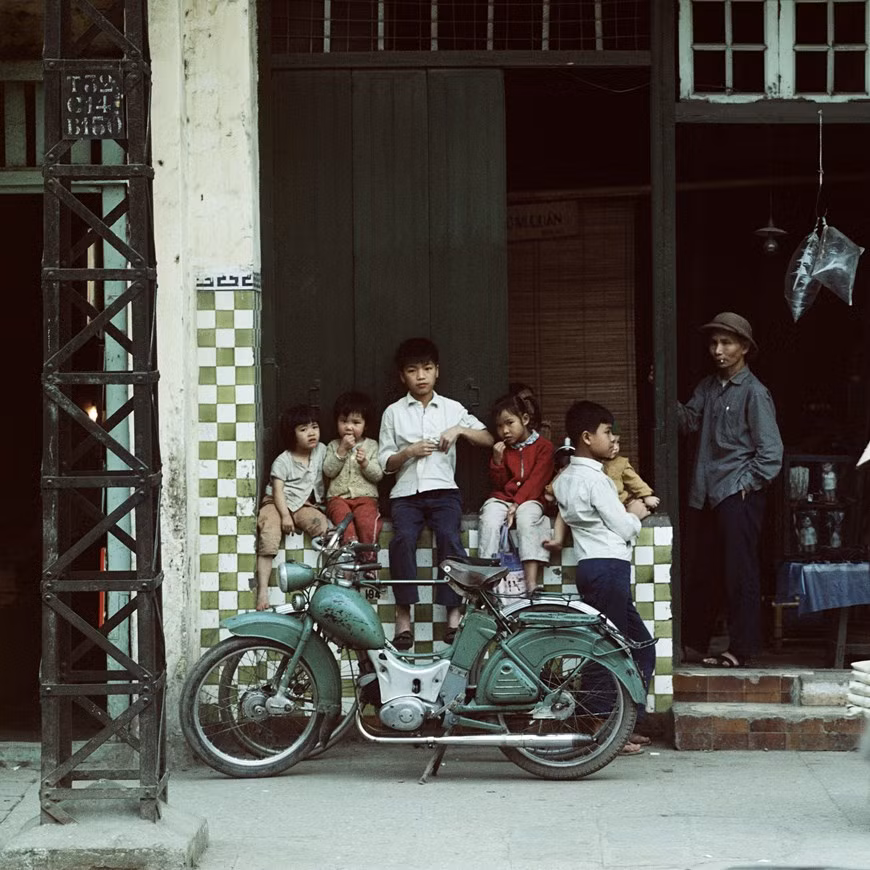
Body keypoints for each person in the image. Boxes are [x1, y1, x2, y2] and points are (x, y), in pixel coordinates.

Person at [678, 312, 783, 668]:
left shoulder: (754, 392)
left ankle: (741, 649)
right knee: (704, 568)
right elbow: (688, 422)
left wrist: (746, 484)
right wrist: (658, 388)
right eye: (713, 343)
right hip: (707, 493)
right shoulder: (708, 387)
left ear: (744, 348)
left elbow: (771, 454)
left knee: (740, 572)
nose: (717, 350)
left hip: (736, 493)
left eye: (726, 343)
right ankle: (693, 643)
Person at [552, 400, 654, 755]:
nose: (612, 438)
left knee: (641, 646)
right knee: (609, 650)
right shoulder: (596, 479)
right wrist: (636, 512)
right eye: (607, 431)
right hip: (609, 567)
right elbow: (623, 526)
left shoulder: (564, 479)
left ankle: (625, 721)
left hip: (591, 567)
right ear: (586, 437)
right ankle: (601, 725)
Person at [378, 338, 494, 650]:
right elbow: (384, 463)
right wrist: (409, 452)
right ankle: (404, 616)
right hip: (406, 493)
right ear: (403, 376)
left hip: (445, 492)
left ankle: (453, 614)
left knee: (449, 537)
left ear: (437, 371)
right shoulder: (393, 412)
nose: (421, 376)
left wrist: (459, 430)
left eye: (427, 369)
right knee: (402, 539)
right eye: (413, 370)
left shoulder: (453, 408)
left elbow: (487, 437)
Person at [477, 392, 554, 594]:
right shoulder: (503, 448)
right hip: (503, 498)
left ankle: (530, 582)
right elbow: (500, 484)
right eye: (499, 426)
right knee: (490, 519)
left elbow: (537, 481)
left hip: (531, 498)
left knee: (527, 518)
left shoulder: (544, 447)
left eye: (509, 423)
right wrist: (497, 461)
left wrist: (517, 504)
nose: (505, 431)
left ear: (525, 419)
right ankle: (487, 582)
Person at [255, 404, 329, 611]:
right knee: (269, 534)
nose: (311, 433)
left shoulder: (321, 450)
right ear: (292, 434)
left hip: (303, 503)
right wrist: (285, 516)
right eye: (303, 429)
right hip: (276, 503)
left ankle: (329, 583)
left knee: (322, 526)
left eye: (314, 427)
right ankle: (262, 590)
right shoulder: (283, 461)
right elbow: (278, 492)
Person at [323, 391, 384, 577]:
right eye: (344, 421)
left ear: (365, 426)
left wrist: (365, 463)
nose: (349, 427)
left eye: (356, 423)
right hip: (338, 497)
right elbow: (328, 471)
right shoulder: (333, 446)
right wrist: (341, 451)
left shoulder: (372, 446)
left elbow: (378, 475)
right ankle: (349, 557)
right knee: (344, 522)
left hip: (366, 498)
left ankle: (369, 562)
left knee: (367, 521)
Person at [603, 434, 661, 512]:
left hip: (621, 503)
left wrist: (646, 496)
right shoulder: (592, 463)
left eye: (618, 442)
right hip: (603, 504)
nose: (616, 447)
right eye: (612, 443)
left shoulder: (621, 463)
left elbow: (634, 481)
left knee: (638, 509)